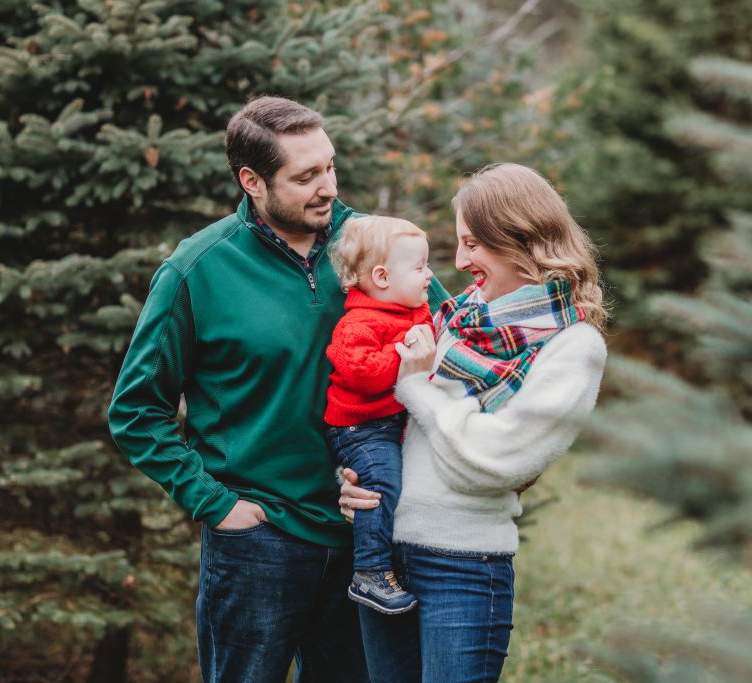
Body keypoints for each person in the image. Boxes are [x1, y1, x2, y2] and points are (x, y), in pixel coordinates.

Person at [107, 95, 449, 682]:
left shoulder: (377, 248)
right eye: (306, 176)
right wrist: (217, 506)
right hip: (257, 543)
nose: (328, 188)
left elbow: (453, 351)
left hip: (367, 539)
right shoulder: (198, 269)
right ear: (252, 181)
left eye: (331, 167)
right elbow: (136, 410)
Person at [340, 162, 608, 682]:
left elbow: (493, 459)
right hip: (385, 561)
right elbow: (390, 427)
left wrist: (416, 387)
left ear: (519, 239)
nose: (460, 261)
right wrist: (357, 481)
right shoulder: (457, 317)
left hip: (463, 567)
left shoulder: (573, 346)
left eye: (473, 244)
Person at [322, 215, 434, 615]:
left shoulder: (413, 312)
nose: (429, 275)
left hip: (390, 424)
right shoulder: (360, 322)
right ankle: (369, 572)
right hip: (359, 428)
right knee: (379, 485)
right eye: (420, 267)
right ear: (382, 277)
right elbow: (362, 373)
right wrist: (408, 358)